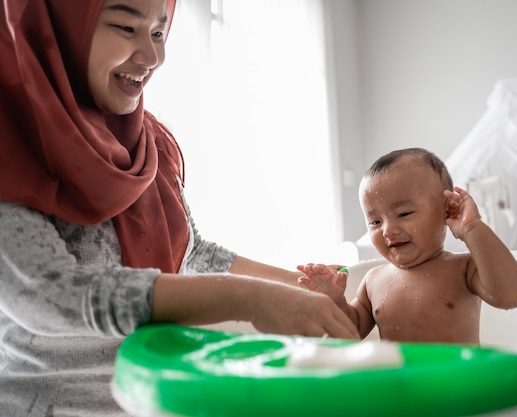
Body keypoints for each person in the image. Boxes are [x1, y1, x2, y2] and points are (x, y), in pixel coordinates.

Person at [0, 0, 359, 415]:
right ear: (58, 28)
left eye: (158, 32)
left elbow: (192, 252)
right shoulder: (11, 140)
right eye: (125, 27)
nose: (154, 57)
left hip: (148, 402)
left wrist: (300, 289)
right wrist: (255, 299)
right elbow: (49, 294)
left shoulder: (146, 141)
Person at [298, 148, 517, 343]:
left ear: (448, 211)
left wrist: (473, 228)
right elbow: (350, 333)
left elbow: (511, 296)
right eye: (375, 221)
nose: (387, 229)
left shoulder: (463, 269)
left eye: (403, 213)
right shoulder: (372, 281)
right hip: (400, 391)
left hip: (457, 387)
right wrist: (335, 302)